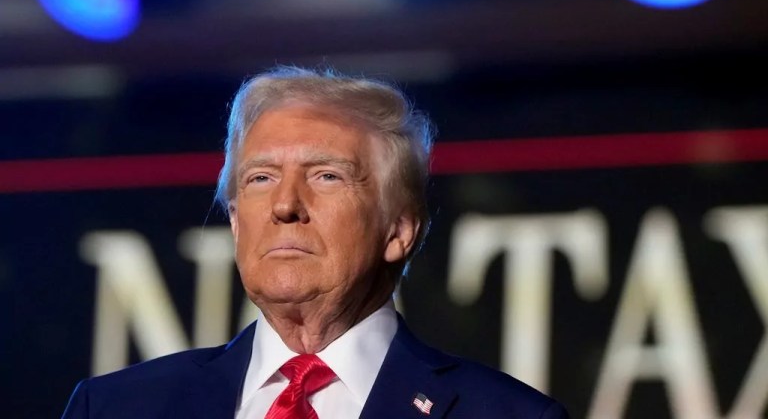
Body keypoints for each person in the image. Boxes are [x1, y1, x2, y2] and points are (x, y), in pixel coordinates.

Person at [61, 65, 570, 418]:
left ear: (399, 230)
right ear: (236, 224)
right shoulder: (114, 408)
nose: (285, 205)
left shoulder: (507, 414)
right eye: (260, 178)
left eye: (326, 176)